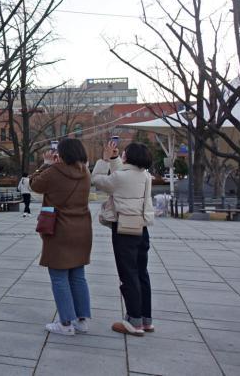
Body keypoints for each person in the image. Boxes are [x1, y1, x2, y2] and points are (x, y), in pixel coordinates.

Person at [30, 138, 93, 336]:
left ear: (61, 154)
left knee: (59, 277)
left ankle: (65, 323)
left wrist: (45, 164)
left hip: (59, 229)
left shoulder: (54, 172)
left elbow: (34, 185)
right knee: (78, 276)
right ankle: (82, 320)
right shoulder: (86, 173)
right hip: (82, 229)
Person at [92, 141, 155, 336]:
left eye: (124, 153)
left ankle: (133, 321)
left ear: (129, 156)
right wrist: (114, 158)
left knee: (128, 274)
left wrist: (104, 159)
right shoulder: (145, 176)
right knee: (142, 273)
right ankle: (146, 319)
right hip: (141, 228)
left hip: (124, 229)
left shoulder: (120, 178)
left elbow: (96, 179)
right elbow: (124, 172)